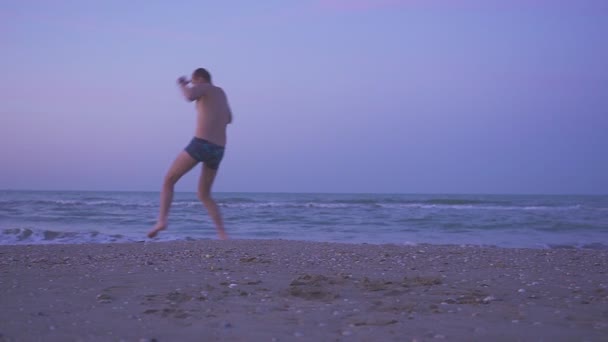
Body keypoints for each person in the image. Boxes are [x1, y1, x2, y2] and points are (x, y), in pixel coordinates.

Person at [148, 68, 232, 240]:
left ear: (200, 79)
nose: (194, 86)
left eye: (195, 82)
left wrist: (183, 84)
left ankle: (161, 221)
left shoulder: (205, 87)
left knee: (169, 180)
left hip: (201, 144)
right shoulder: (221, 93)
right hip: (218, 149)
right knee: (204, 194)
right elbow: (229, 118)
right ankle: (222, 234)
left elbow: (189, 96)